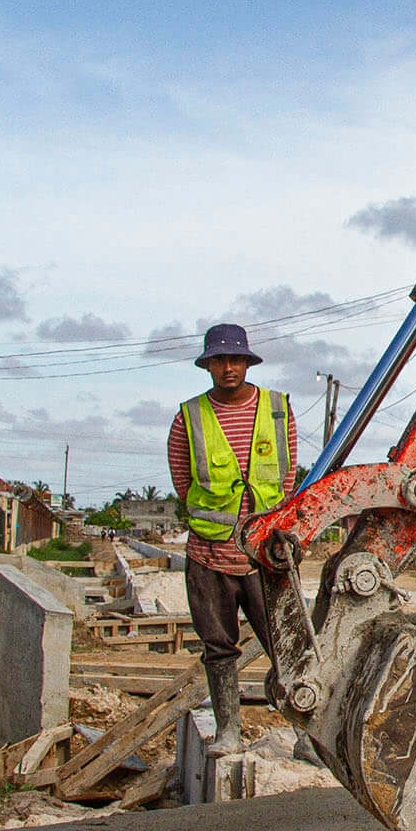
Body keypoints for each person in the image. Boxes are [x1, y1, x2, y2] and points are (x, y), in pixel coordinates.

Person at [166, 323, 295, 756]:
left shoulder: (277, 409)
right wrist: (218, 522)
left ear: (247, 362)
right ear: (208, 366)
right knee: (219, 646)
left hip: (264, 552)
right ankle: (229, 730)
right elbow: (183, 482)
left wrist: (277, 532)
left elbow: (289, 476)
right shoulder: (189, 417)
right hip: (209, 552)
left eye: (235, 359)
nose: (228, 368)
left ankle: (306, 733)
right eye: (219, 360)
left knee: (286, 642)